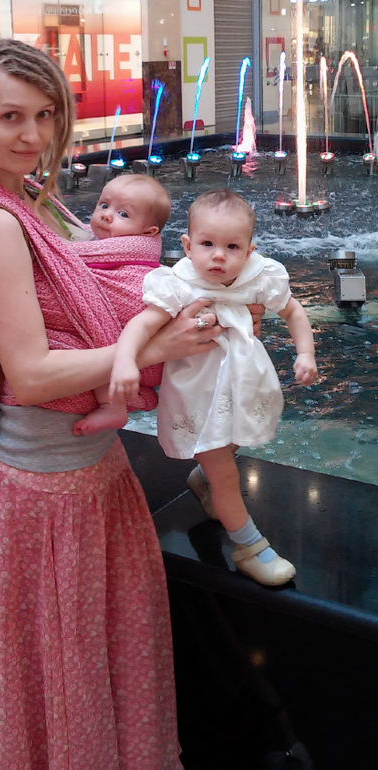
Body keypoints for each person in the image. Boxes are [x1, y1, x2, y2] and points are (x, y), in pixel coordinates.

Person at [0, 39, 225, 770]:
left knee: (97, 668)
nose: (32, 134)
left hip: (86, 472)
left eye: (45, 115)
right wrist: (156, 348)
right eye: (10, 116)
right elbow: (32, 374)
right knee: (72, 678)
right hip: (49, 488)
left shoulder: (27, 198)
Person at [108, 188, 317, 587]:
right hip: (199, 396)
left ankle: (202, 479)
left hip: (242, 387)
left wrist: (305, 353)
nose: (218, 256)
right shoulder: (178, 285)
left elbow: (293, 311)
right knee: (226, 475)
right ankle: (249, 547)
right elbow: (141, 324)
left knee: (233, 443)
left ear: (249, 251)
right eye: (207, 244)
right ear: (187, 246)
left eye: (231, 246)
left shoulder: (257, 277)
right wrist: (124, 360)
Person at [70, 173, 172, 435]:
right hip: (136, 352)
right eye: (104, 205)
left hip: (140, 352)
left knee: (93, 335)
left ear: (148, 233)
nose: (106, 215)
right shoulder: (96, 244)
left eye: (123, 214)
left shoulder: (129, 258)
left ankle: (112, 406)